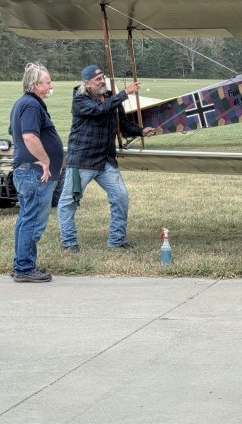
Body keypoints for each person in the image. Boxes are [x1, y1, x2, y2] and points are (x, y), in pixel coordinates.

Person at [57, 65, 156, 252]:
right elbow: (100, 109)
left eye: (103, 77)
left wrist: (141, 131)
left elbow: (124, 124)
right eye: (98, 79)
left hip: (105, 161)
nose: (102, 81)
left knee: (121, 196)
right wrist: (124, 93)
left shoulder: (111, 98)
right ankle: (69, 243)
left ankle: (116, 241)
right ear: (87, 84)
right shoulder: (80, 101)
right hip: (82, 161)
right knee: (68, 201)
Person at [9, 62, 64, 283]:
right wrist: (45, 160)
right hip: (34, 173)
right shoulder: (31, 105)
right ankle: (24, 268)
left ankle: (21, 263)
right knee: (33, 221)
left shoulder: (23, 104)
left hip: (26, 171)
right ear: (36, 84)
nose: (51, 85)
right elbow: (29, 136)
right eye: (48, 82)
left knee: (25, 219)